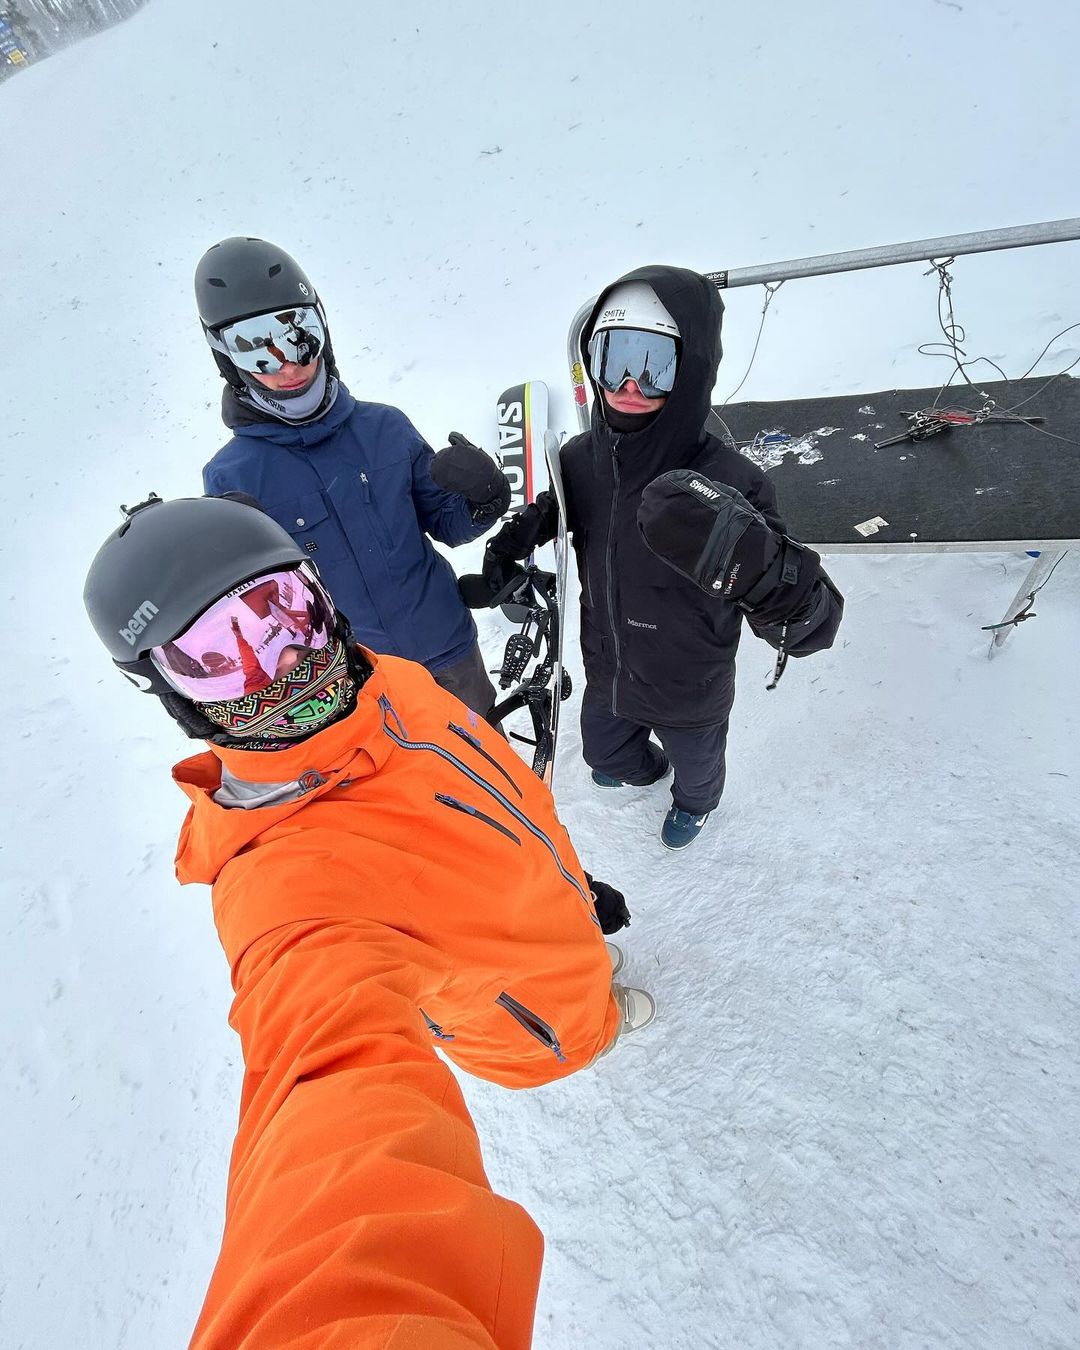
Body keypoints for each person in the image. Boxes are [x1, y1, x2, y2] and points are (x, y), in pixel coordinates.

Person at [83, 492, 654, 1349]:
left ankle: (594, 972)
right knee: (587, 1026)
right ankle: (597, 1030)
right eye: (218, 657)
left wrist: (568, 881)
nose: (282, 662)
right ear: (170, 694)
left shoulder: (387, 682)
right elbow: (328, 1095)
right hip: (530, 1024)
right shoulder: (284, 890)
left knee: (591, 964)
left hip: (553, 911)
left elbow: (490, 793)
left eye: (281, 610)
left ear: (319, 591)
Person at [480, 266, 843, 851]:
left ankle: (696, 804)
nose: (631, 383)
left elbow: (812, 629)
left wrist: (763, 573)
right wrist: (518, 536)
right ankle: (647, 768)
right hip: (610, 666)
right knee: (605, 754)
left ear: (691, 369)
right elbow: (564, 508)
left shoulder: (732, 480)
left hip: (689, 681)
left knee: (698, 773)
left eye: (655, 365)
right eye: (616, 359)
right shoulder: (579, 458)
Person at [195, 235, 511, 722]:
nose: (289, 365)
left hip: (447, 648)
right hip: (356, 681)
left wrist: (483, 498)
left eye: (299, 337)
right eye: (259, 352)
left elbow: (446, 523)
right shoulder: (232, 478)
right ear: (227, 361)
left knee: (486, 756)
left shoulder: (385, 428)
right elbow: (257, 614)